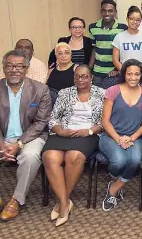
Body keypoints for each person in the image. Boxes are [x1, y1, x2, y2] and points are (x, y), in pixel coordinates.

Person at [0, 49, 51, 227]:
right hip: (0, 138)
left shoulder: (40, 90)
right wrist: (0, 145)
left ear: (26, 68)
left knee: (30, 157)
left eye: (19, 66)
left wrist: (19, 143)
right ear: (4, 67)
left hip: (30, 137)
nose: (14, 69)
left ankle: (16, 199)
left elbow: (40, 123)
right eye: (9, 65)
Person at [42, 65, 105, 226]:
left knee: (73, 156)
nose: (81, 80)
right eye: (77, 77)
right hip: (63, 132)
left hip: (88, 134)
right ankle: (64, 202)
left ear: (91, 78)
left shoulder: (102, 94)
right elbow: (53, 119)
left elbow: (104, 122)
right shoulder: (64, 93)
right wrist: (60, 131)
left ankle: (62, 202)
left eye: (84, 76)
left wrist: (89, 131)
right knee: (49, 157)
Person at [99, 59, 142, 211]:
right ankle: (116, 180)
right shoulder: (113, 90)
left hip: (135, 137)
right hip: (111, 135)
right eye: (130, 74)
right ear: (124, 74)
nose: (133, 77)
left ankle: (113, 188)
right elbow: (105, 121)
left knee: (135, 160)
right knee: (119, 161)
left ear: (141, 76)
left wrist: (131, 138)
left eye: (137, 74)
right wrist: (119, 139)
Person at [88, 0, 128, 87]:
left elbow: (124, 52)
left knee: (112, 98)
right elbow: (94, 49)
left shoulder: (123, 28)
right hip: (97, 72)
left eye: (110, 11)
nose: (107, 14)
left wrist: (116, 69)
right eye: (104, 11)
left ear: (115, 12)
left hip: (115, 73)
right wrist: (89, 69)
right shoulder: (93, 27)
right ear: (100, 11)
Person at [112, 6, 142, 70]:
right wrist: (124, 71)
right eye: (132, 19)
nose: (135, 22)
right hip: (125, 74)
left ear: (141, 21)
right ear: (127, 19)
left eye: (138, 20)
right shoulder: (119, 37)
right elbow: (115, 60)